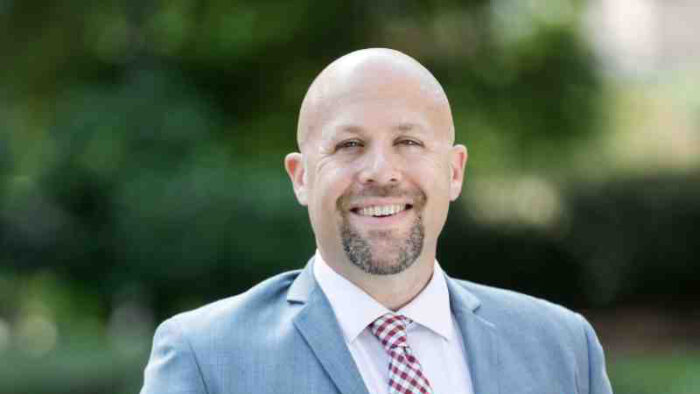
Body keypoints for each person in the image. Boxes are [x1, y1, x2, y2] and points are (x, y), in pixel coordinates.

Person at [140, 48, 613, 394]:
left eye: (408, 142)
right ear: (301, 178)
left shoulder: (563, 349)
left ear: (453, 171)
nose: (381, 172)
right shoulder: (205, 359)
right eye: (349, 145)